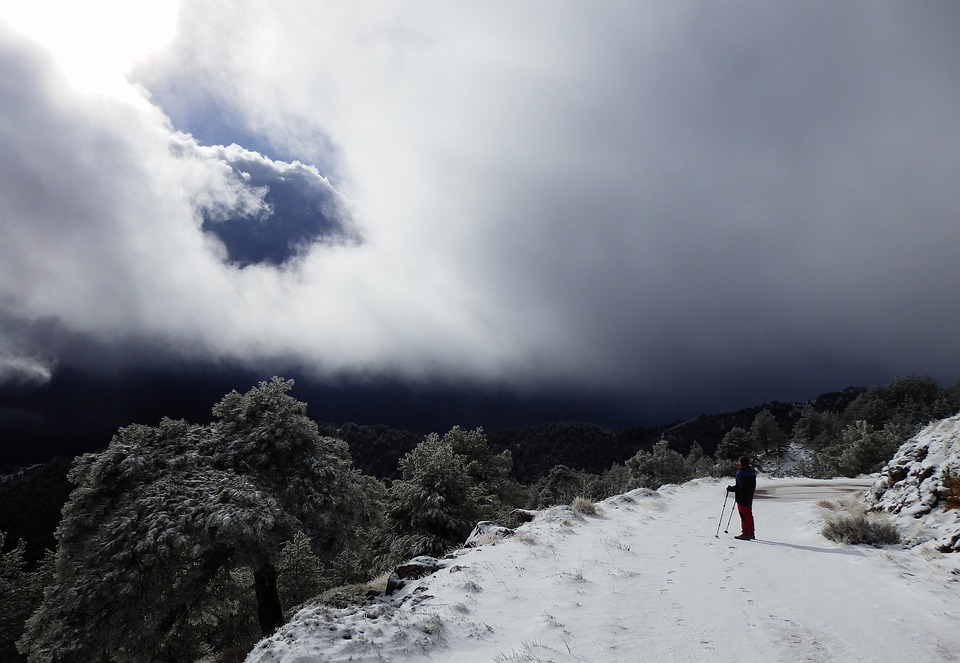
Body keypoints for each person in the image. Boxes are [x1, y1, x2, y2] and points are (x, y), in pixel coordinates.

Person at [727, 456, 757, 540]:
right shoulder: (751, 472)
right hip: (749, 496)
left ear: (741, 463)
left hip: (741, 497)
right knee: (749, 514)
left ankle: (746, 532)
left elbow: (739, 487)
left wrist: (730, 489)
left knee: (743, 515)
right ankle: (751, 532)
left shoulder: (740, 473)